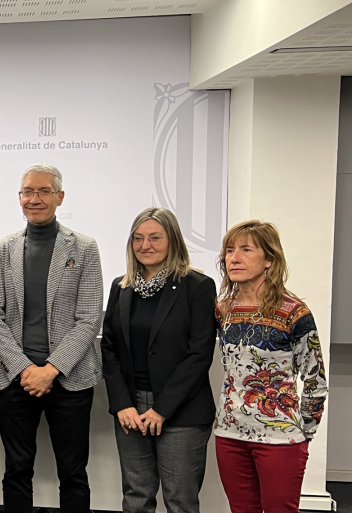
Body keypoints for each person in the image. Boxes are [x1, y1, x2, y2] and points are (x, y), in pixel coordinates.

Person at [0, 163, 103, 513]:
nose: (35, 199)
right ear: (19, 197)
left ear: (59, 197)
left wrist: (50, 369)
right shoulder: (3, 249)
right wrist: (25, 369)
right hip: (14, 379)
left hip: (69, 379)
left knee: (73, 473)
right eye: (28, 192)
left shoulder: (83, 248)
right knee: (17, 470)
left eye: (44, 191)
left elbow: (88, 319)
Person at [100, 208, 217, 513]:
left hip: (182, 412)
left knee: (180, 501)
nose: (145, 245)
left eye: (155, 237)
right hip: (131, 408)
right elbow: (109, 349)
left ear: (173, 240)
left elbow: (199, 354)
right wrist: (122, 404)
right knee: (136, 497)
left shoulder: (198, 286)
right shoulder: (121, 287)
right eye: (137, 238)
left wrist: (162, 409)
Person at [214, 220, 327, 513]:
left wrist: (304, 434)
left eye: (246, 250)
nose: (234, 258)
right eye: (229, 251)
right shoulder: (222, 309)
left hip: (280, 439)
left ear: (269, 259)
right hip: (230, 436)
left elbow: (315, 379)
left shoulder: (295, 312)